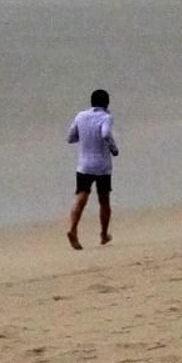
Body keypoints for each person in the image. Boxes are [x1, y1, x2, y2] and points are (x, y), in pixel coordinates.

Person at [66, 88, 118, 249]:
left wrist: (84, 137)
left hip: (84, 165)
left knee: (81, 196)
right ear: (107, 103)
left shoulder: (80, 116)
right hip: (102, 165)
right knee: (104, 200)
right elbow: (105, 133)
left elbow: (70, 137)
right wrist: (114, 148)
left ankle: (73, 229)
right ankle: (103, 234)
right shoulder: (106, 117)